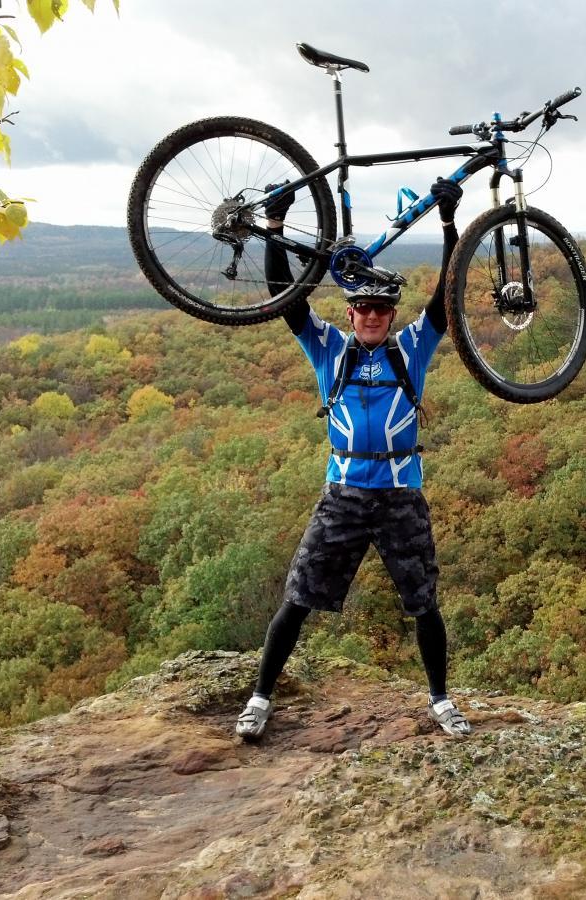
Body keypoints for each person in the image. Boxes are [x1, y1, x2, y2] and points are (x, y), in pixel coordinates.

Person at [235, 176, 471, 741]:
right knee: (296, 599)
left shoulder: (410, 348)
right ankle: (260, 698)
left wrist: (446, 223)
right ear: (349, 312)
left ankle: (441, 701)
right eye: (362, 307)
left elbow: (447, 298)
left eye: (380, 308)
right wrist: (273, 225)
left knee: (424, 604)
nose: (371, 315)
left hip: (399, 496)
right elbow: (285, 299)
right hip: (342, 495)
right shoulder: (330, 350)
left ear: (391, 314)